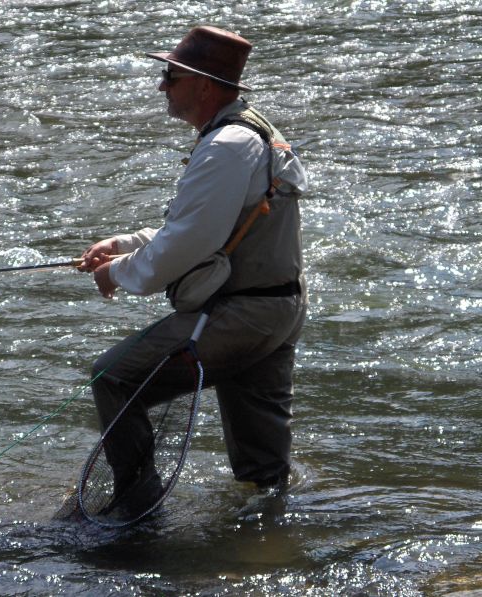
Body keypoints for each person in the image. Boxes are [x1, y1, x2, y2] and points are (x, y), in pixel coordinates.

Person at [78, 26, 308, 514]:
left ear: (203, 86)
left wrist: (116, 272)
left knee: (114, 377)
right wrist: (123, 244)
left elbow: (189, 242)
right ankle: (270, 535)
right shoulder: (253, 132)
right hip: (277, 308)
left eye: (171, 76)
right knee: (264, 472)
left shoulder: (225, 146)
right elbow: (207, 225)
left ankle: (136, 514)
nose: (162, 85)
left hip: (237, 315)